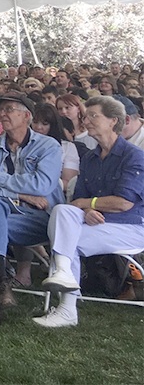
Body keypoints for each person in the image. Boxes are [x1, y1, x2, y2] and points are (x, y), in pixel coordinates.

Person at [35, 96, 144, 327]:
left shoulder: (134, 156)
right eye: (86, 116)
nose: (87, 120)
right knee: (63, 212)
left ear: (114, 120)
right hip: (95, 223)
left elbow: (124, 203)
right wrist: (86, 211)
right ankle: (64, 276)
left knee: (65, 240)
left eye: (94, 115)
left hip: (130, 226)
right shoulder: (90, 158)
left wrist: (90, 205)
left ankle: (67, 309)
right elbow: (76, 202)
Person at [0, 92, 65, 327]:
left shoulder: (48, 145)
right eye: (1, 110)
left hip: (41, 218)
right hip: (4, 216)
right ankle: (2, 287)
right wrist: (19, 194)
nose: (3, 114)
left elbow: (43, 185)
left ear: (27, 116)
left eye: (10, 109)